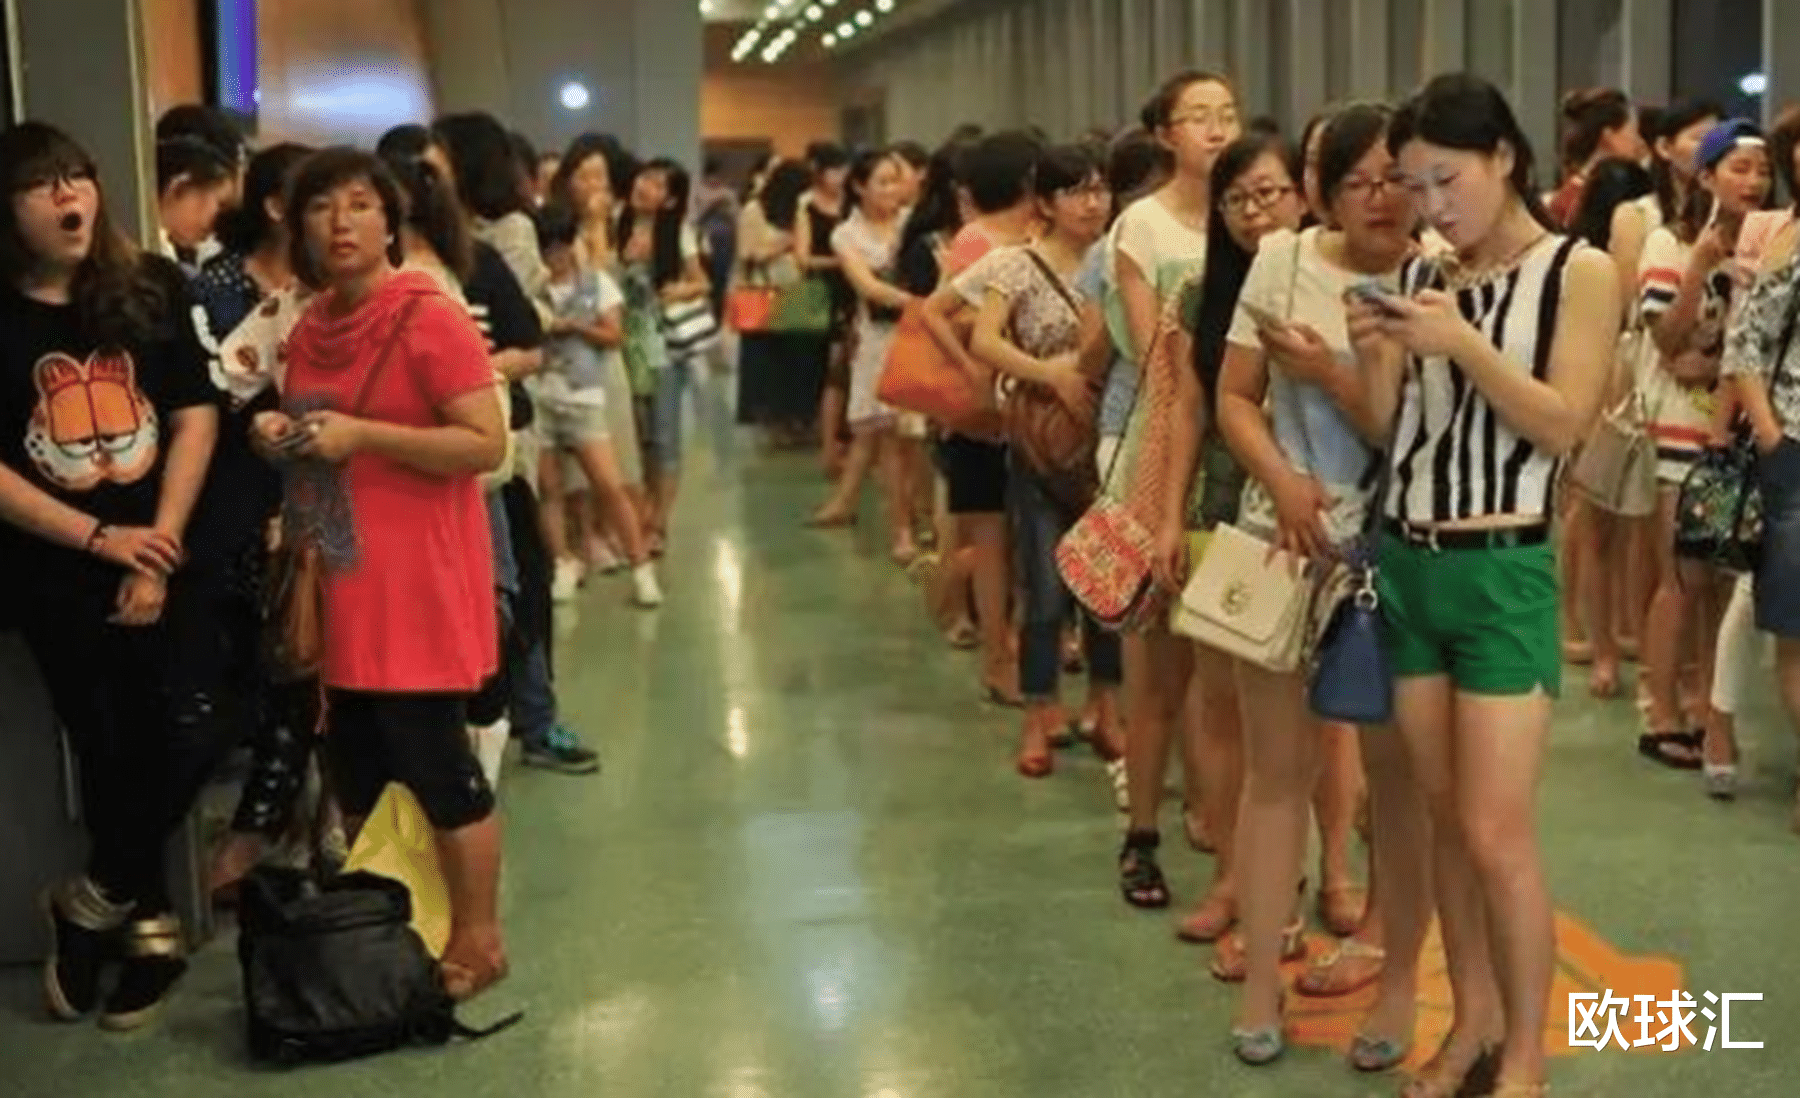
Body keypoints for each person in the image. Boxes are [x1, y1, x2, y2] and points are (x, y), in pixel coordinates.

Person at [1350, 72, 1621, 1098]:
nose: (1431, 205)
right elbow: (1390, 431)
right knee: (1439, 816)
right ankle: (1468, 1022)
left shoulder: (1575, 271)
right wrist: (1376, 351)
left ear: (1505, 156)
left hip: (1503, 565)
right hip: (1409, 558)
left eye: (1446, 178)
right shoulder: (1426, 265)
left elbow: (1564, 423)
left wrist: (1457, 338)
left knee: (1497, 829)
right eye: (1414, 185)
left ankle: (1526, 1057)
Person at [252, 147, 510, 1001]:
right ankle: (402, 915)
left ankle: (480, 933)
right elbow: (319, 445)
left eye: (359, 205)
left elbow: (484, 444)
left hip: (422, 582)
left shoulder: (427, 316)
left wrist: (366, 437)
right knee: (356, 768)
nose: (341, 223)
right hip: (341, 577)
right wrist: (282, 440)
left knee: (438, 765)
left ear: (389, 219)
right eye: (322, 208)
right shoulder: (311, 324)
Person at [1210, 106, 1429, 1070]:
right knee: (1276, 778)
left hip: (1396, 551)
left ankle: (1391, 986)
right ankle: (1262, 983)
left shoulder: (1436, 277)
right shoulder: (1282, 261)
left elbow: (1412, 436)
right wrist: (1282, 481)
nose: (1383, 197)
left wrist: (1334, 374)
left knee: (1396, 781)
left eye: (1400, 178)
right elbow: (1232, 397)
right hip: (1281, 540)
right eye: (1360, 180)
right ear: (1326, 189)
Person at [0, 122, 222, 1030]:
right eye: (43, 184)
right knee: (105, 747)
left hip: (166, 550)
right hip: (54, 572)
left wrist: (157, 545)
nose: (69, 197)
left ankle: (91, 899)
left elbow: (195, 414)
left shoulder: (148, 287)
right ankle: (147, 922)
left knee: (192, 731)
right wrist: (100, 542)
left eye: (79, 176)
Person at [963, 143, 1119, 778]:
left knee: (1107, 588)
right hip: (1040, 444)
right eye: (1079, 191)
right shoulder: (1016, 265)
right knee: (1047, 590)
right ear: (1047, 203)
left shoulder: (1119, 260)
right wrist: (1049, 376)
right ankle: (1038, 712)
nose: (1094, 203)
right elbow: (982, 337)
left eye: (1102, 190)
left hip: (1108, 441)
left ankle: (1107, 708)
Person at [536, 200, 661, 608]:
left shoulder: (598, 283)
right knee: (551, 489)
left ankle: (641, 566)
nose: (555, 257)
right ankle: (561, 563)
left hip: (584, 395)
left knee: (609, 483)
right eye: (548, 249)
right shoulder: (533, 288)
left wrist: (576, 327)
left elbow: (615, 334)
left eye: (561, 247)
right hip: (542, 396)